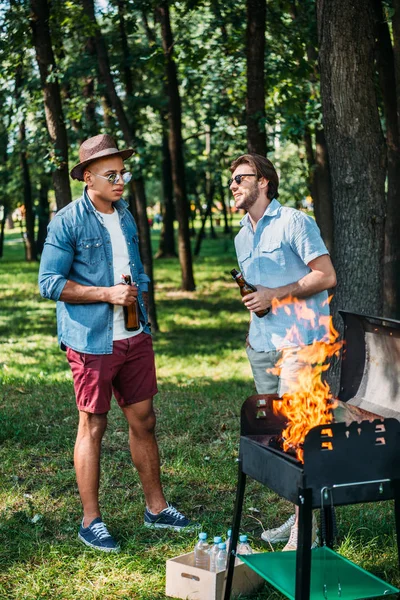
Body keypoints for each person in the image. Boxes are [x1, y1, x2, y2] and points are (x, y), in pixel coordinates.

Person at [39, 134, 195, 552]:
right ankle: (91, 521)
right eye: (111, 173)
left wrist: (138, 309)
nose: (120, 179)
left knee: (144, 420)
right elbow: (49, 283)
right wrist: (106, 294)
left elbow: (136, 271)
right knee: (93, 424)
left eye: (122, 172)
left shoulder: (125, 215)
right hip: (92, 340)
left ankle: (156, 509)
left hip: (134, 335)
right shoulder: (67, 221)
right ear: (87, 177)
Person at [229, 153, 337, 551]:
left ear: (264, 182)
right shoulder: (242, 235)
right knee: (278, 437)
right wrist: (253, 329)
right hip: (262, 347)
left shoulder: (294, 222)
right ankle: (297, 513)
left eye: (241, 178)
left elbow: (326, 276)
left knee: (301, 435)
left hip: (301, 344)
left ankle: (303, 532)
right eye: (232, 181)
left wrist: (276, 295)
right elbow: (256, 293)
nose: (234, 186)